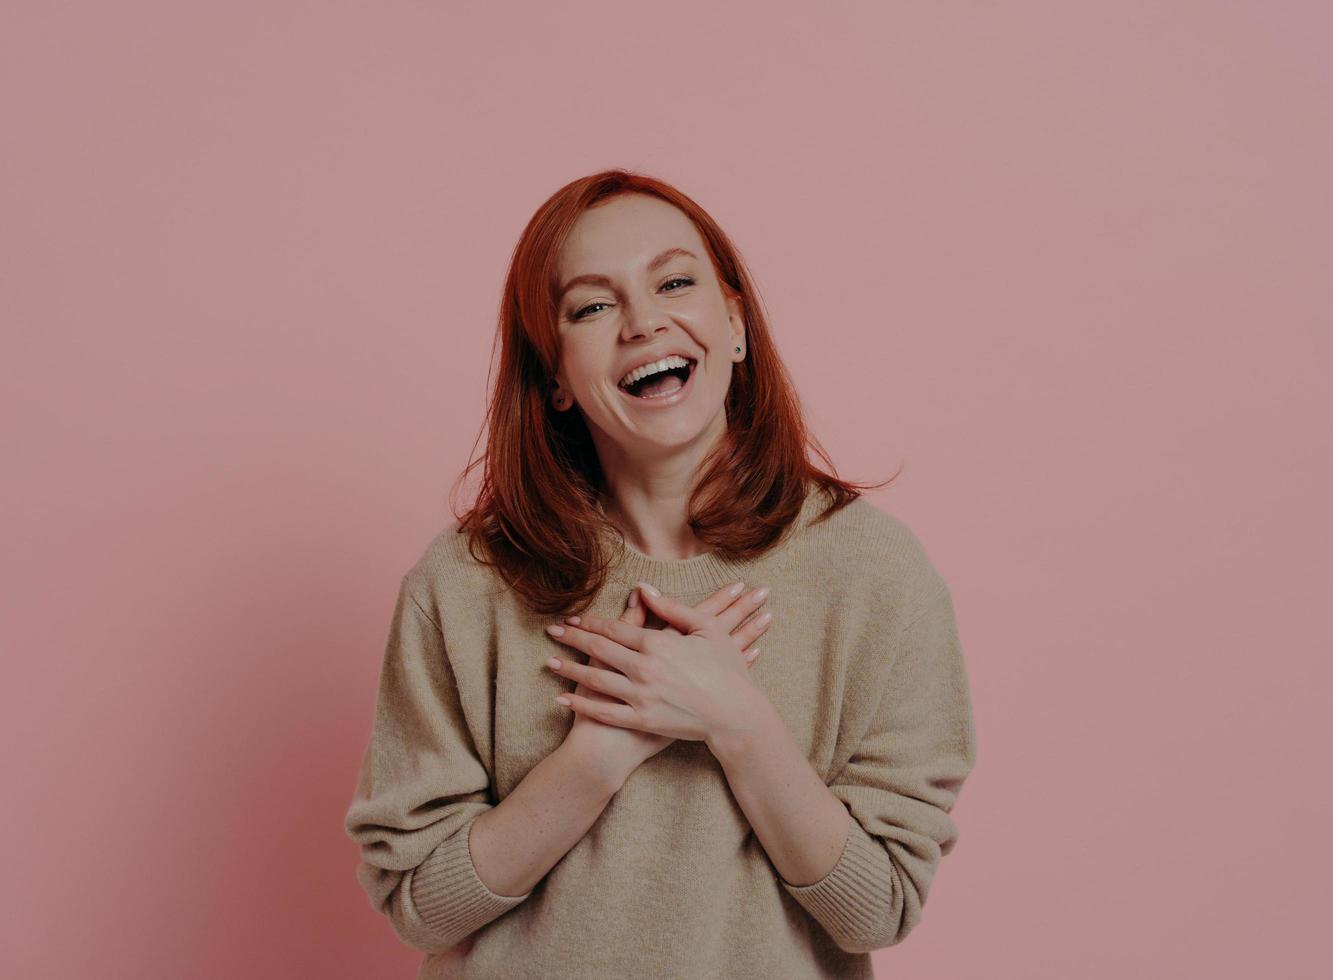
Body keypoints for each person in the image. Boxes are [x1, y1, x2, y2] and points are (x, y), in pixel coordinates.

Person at [342, 169, 977, 979]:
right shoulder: (466, 583)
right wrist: (602, 750)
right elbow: (423, 905)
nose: (644, 322)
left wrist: (735, 720)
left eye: (674, 282)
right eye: (592, 306)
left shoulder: (875, 574)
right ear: (556, 379)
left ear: (736, 325)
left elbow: (877, 908)